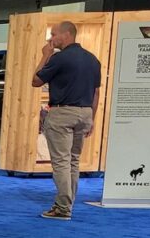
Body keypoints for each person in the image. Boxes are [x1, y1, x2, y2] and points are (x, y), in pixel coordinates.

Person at [31, 21, 103, 221]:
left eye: (53, 34)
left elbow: (36, 80)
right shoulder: (93, 60)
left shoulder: (59, 58)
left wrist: (45, 54)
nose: (50, 39)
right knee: (73, 161)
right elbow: (96, 93)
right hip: (85, 113)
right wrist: (92, 118)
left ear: (66, 34)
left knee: (61, 162)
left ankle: (63, 207)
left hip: (62, 113)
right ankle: (67, 204)